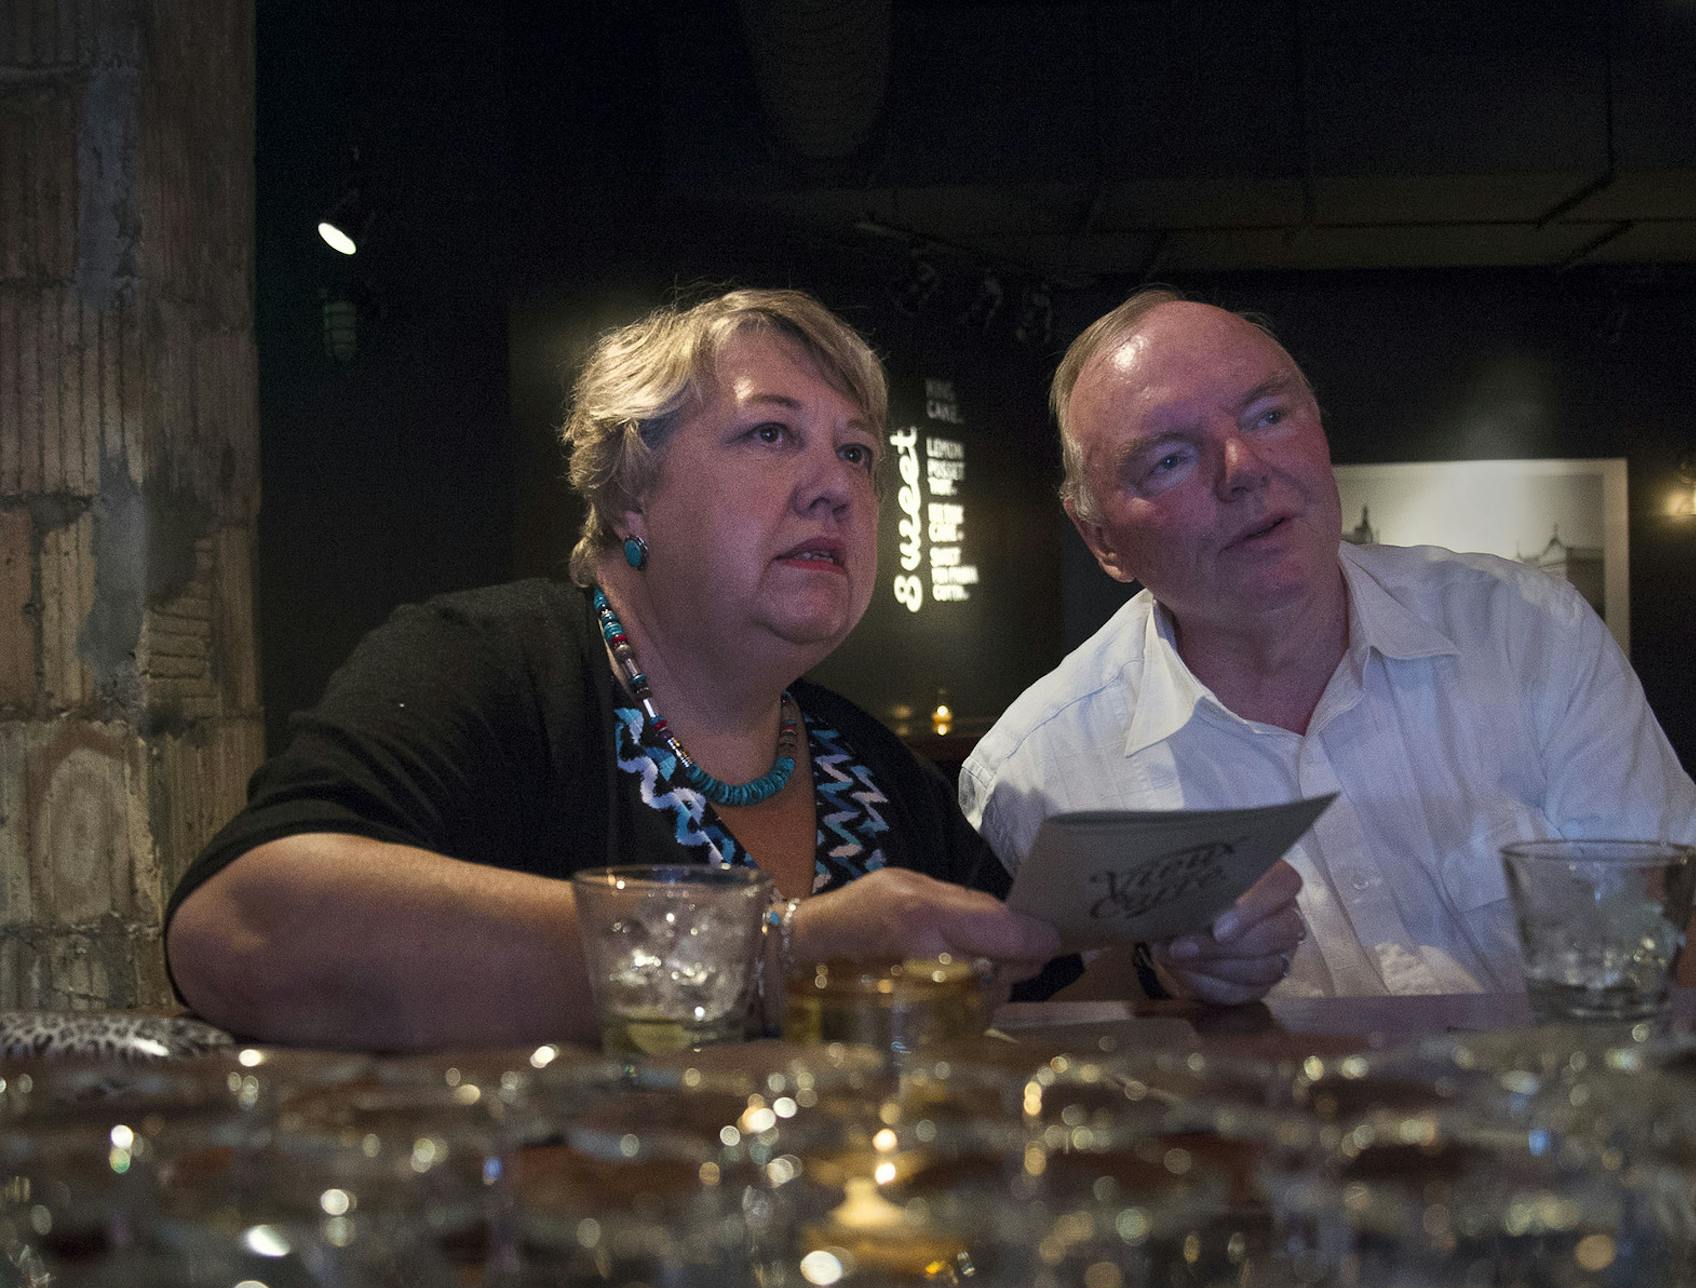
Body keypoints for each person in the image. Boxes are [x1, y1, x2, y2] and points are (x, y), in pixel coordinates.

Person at [166, 288, 1081, 1049]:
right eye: (771, 434)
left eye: (856, 453)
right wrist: (775, 956)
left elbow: (1056, 1006)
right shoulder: (489, 667)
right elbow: (241, 929)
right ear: (631, 494)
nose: (836, 486)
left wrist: (1150, 948)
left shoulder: (872, 770)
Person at [961, 291, 1696, 1000]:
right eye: (1170, 458)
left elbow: (1676, 953)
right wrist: (1159, 975)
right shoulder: (1039, 768)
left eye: (1269, 416)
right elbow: (1038, 1043)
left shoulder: (1526, 631)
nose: (1244, 468)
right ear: (1100, 538)